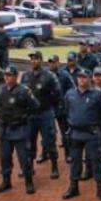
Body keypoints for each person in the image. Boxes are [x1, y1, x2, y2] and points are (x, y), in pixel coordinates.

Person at [62, 69, 101, 201]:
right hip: (75, 133)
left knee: (96, 161)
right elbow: (67, 110)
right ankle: (73, 187)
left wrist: (96, 126)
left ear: (90, 79)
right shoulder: (70, 94)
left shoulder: (97, 94)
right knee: (75, 161)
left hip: (91, 133)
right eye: (80, 77)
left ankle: (100, 188)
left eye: (85, 77)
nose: (82, 80)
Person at [0, 65, 40, 195]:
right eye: (6, 75)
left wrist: (25, 116)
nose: (7, 78)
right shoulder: (0, 90)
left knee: (24, 158)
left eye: (10, 75)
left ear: (15, 76)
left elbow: (35, 105)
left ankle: (29, 182)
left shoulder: (24, 91)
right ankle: (6, 181)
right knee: (4, 158)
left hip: (20, 129)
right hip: (5, 129)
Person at [21, 51, 62, 179]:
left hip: (45, 113)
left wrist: (49, 105)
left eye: (36, 59)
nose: (33, 61)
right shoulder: (25, 76)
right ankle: (29, 168)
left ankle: (54, 166)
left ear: (41, 60)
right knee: (29, 143)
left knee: (50, 141)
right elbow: (21, 94)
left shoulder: (49, 75)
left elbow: (58, 93)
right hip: (31, 115)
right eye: (32, 59)